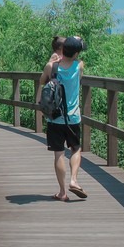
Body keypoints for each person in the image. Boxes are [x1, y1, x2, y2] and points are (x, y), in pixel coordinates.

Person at [40, 35, 87, 202]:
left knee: (58, 154)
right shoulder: (79, 66)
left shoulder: (52, 67)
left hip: (54, 118)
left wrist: (51, 62)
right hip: (73, 117)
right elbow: (78, 68)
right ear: (75, 53)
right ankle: (74, 180)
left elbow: (42, 82)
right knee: (75, 149)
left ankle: (62, 192)